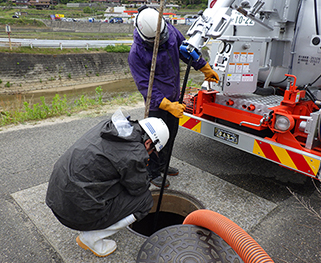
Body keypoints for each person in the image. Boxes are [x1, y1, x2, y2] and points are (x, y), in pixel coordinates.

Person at [45, 110, 169, 257]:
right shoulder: (134, 154)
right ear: (148, 142)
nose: (149, 155)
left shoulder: (111, 126)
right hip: (73, 213)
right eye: (152, 151)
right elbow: (138, 188)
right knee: (145, 201)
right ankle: (91, 238)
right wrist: (143, 169)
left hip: (55, 197)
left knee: (120, 180)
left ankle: (98, 221)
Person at [128, 5, 219, 188]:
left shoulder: (168, 30)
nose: (162, 40)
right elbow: (146, 87)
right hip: (157, 104)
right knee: (154, 139)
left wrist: (203, 67)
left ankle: (163, 165)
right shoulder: (136, 54)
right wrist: (168, 105)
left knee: (170, 135)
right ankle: (152, 172)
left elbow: (185, 50)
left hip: (174, 95)